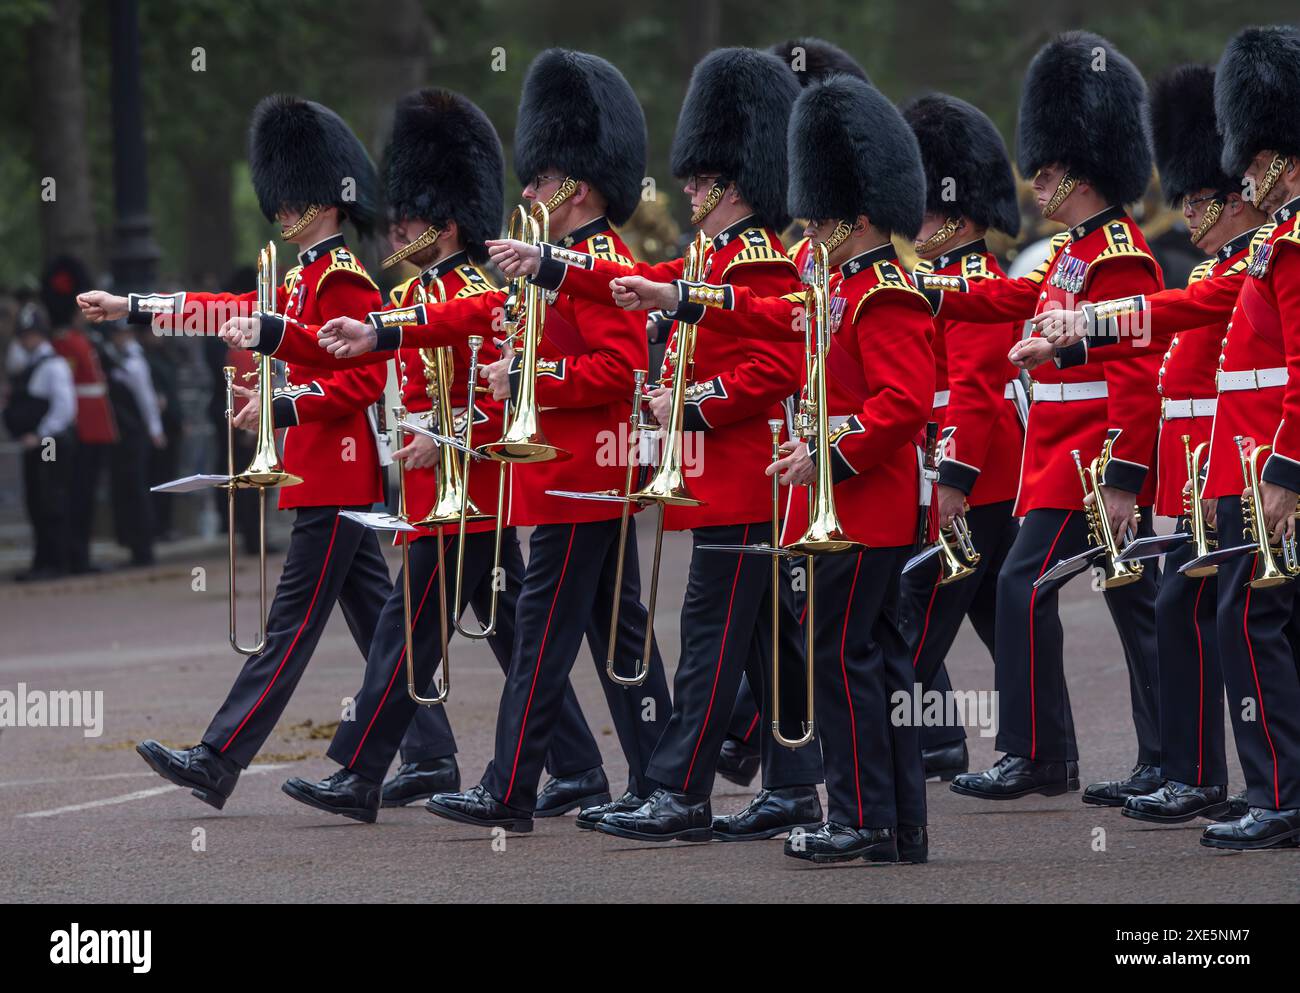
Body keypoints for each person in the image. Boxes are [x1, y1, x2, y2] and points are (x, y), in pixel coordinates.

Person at [222, 87, 611, 821]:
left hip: (470, 488)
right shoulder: (424, 288)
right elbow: (355, 343)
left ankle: (361, 770)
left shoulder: (473, 289)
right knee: (504, 632)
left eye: (410, 218)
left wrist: (444, 434)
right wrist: (269, 336)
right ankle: (581, 766)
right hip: (441, 491)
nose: (396, 227)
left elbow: (504, 390)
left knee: (408, 632)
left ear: (447, 221)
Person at [315, 50, 674, 833]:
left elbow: (619, 368)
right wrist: (380, 329)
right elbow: (458, 314)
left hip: (583, 478)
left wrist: (533, 378)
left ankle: (510, 788)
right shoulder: (555, 265)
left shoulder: (603, 261)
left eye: (541, 180)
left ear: (573, 185)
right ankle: (662, 779)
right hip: (571, 482)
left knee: (541, 642)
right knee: (620, 640)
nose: (530, 192)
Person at [488, 47, 825, 844]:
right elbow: (628, 284)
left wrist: (685, 408)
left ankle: (679, 792)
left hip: (744, 476)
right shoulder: (710, 257)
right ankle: (797, 783)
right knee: (768, 645)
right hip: (720, 479)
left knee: (707, 644)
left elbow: (778, 364)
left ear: (735, 183)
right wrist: (548, 266)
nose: (687, 190)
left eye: (702, 180)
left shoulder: (764, 262)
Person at [609, 73, 936, 864]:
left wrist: (826, 452)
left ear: (855, 217)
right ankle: (895, 826)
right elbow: (760, 314)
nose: (808, 229)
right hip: (844, 499)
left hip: (863, 502)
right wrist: (676, 297)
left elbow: (904, 405)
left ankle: (857, 817)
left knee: (842, 664)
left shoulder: (879, 293)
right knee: (873, 663)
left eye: (821, 217)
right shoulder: (837, 286)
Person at [77, 95, 437, 811]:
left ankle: (219, 756)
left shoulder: (344, 280)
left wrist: (282, 406)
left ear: (326, 204)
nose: (281, 211)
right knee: (382, 629)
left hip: (337, 474)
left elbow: (366, 378)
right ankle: (433, 752)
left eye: (293, 199)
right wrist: (130, 306)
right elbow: (217, 308)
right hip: (321, 477)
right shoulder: (298, 279)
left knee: (290, 628)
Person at [1029, 26, 1300, 850]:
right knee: (1241, 624)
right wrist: (1082, 328)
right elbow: (1177, 311)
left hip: (1263, 468)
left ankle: (1277, 792)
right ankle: (1263, 785)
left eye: (1253, 163)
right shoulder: (1265, 250)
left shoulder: (1287, 246)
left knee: (1253, 629)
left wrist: (1287, 467)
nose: (1242, 177)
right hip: (1239, 465)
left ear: (1281, 160)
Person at [913, 32, 1165, 805]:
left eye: (1049, 170)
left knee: (1025, 584)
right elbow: (1001, 299)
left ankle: (1033, 751)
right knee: (1139, 610)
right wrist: (925, 292)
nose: (1036, 180)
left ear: (1079, 172)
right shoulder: (1070, 252)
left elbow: (1133, 379)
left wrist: (1122, 477)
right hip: (1055, 456)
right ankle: (1161, 758)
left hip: (1088, 459)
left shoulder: (1118, 254)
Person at [1114, 64, 1266, 825]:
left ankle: (1206, 773)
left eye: (1197, 200)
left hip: (1236, 467)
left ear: (1233, 200)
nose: (1186, 213)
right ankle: (1192, 769)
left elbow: (1185, 327)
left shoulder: (1247, 268)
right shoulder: (1224, 263)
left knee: (1202, 613)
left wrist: (1086, 327)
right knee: (1192, 613)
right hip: (1201, 472)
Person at [896, 92, 1026, 782]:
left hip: (974, 477)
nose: (912, 224)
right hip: (968, 472)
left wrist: (952, 479)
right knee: (1003, 625)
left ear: (957, 217)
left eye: (924, 211)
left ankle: (876, 746)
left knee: (909, 621)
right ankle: (979, 744)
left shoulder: (971, 281)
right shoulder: (940, 277)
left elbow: (975, 391)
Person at [43, 256, 117, 574]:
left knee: (85, 494)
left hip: (95, 427)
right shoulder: (64, 343)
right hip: (82, 428)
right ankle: (74, 555)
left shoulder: (80, 340)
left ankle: (80, 553)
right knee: (75, 494)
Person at [4, 300, 76, 581]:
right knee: (37, 497)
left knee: (49, 497)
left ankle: (54, 560)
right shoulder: (29, 363)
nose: (26, 339)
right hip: (40, 441)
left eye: (30, 334)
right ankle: (43, 558)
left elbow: (64, 407)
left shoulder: (53, 365)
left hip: (50, 443)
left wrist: (41, 433)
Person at [99, 322, 163, 567]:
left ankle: (143, 547)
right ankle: (134, 545)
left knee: (137, 490)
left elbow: (146, 399)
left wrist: (155, 429)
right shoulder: (116, 357)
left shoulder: (134, 362)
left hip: (136, 436)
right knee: (126, 490)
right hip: (123, 437)